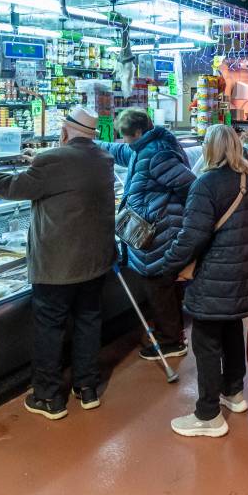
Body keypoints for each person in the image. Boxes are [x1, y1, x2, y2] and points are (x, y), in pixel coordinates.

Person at [0, 107, 115, 420]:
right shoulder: (103, 159)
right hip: (96, 260)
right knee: (89, 321)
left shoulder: (54, 161)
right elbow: (60, 174)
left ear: (65, 131)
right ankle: (87, 388)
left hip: (58, 264)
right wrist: (33, 160)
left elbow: (13, 188)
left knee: (50, 328)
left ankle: (49, 398)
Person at [161, 125, 248, 438]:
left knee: (207, 344)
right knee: (232, 331)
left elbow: (191, 237)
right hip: (242, 276)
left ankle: (208, 415)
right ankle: (233, 393)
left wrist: (168, 266)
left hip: (214, 277)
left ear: (210, 149)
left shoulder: (205, 183)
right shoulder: (246, 180)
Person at [100, 108, 194, 360]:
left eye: (126, 135)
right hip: (157, 231)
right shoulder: (145, 148)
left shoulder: (157, 154)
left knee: (159, 287)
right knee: (165, 286)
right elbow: (119, 151)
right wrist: (86, 142)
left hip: (159, 232)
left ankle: (170, 341)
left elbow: (190, 185)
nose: (124, 141)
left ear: (139, 132)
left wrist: (159, 211)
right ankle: (173, 334)